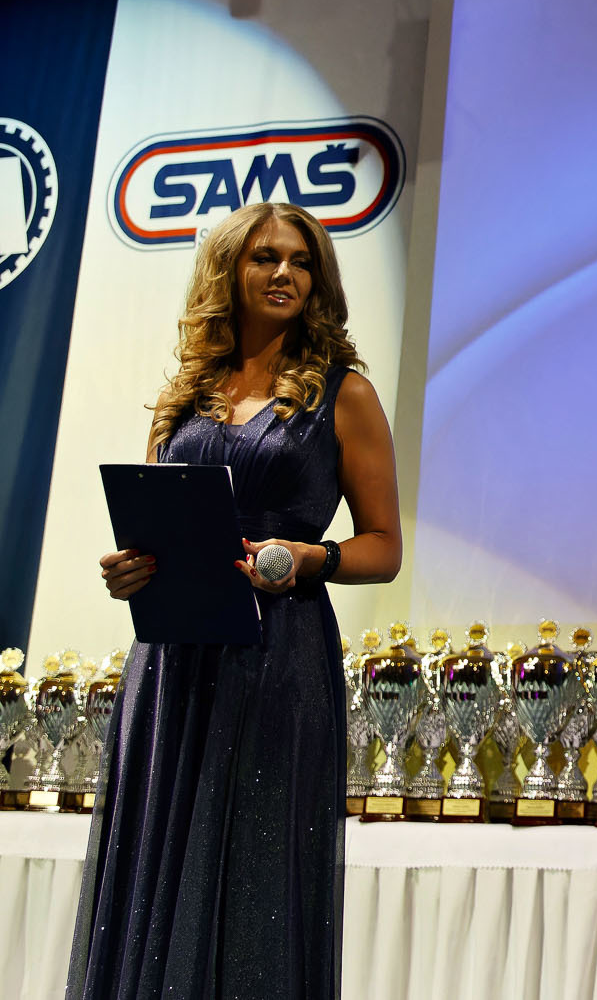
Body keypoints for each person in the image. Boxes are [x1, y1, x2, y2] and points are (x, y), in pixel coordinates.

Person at [70, 201, 401, 1000]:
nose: (285, 272)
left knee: (255, 879)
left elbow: (384, 546)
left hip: (278, 659)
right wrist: (131, 571)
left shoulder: (345, 394)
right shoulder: (182, 395)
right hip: (172, 664)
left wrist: (311, 558)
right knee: (159, 864)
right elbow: (157, 523)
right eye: (265, 257)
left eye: (301, 260)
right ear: (229, 270)